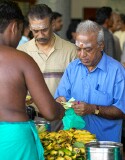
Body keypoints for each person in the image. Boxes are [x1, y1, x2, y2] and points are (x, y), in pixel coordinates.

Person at [0, 1, 64, 160]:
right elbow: (49, 111)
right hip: (15, 138)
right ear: (14, 26)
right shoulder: (21, 59)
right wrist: (62, 109)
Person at [55, 20, 125, 142]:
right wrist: (60, 101)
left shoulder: (116, 71)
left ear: (101, 45)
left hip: (105, 144)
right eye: (78, 49)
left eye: (88, 49)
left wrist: (93, 109)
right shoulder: (72, 68)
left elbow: (122, 110)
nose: (82, 55)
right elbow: (60, 97)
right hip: (74, 143)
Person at [17, 4, 77, 131]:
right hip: (32, 119)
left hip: (63, 119)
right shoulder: (22, 51)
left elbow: (79, 86)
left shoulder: (71, 51)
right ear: (30, 27)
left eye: (44, 29)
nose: (40, 35)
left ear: (53, 23)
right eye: (35, 31)